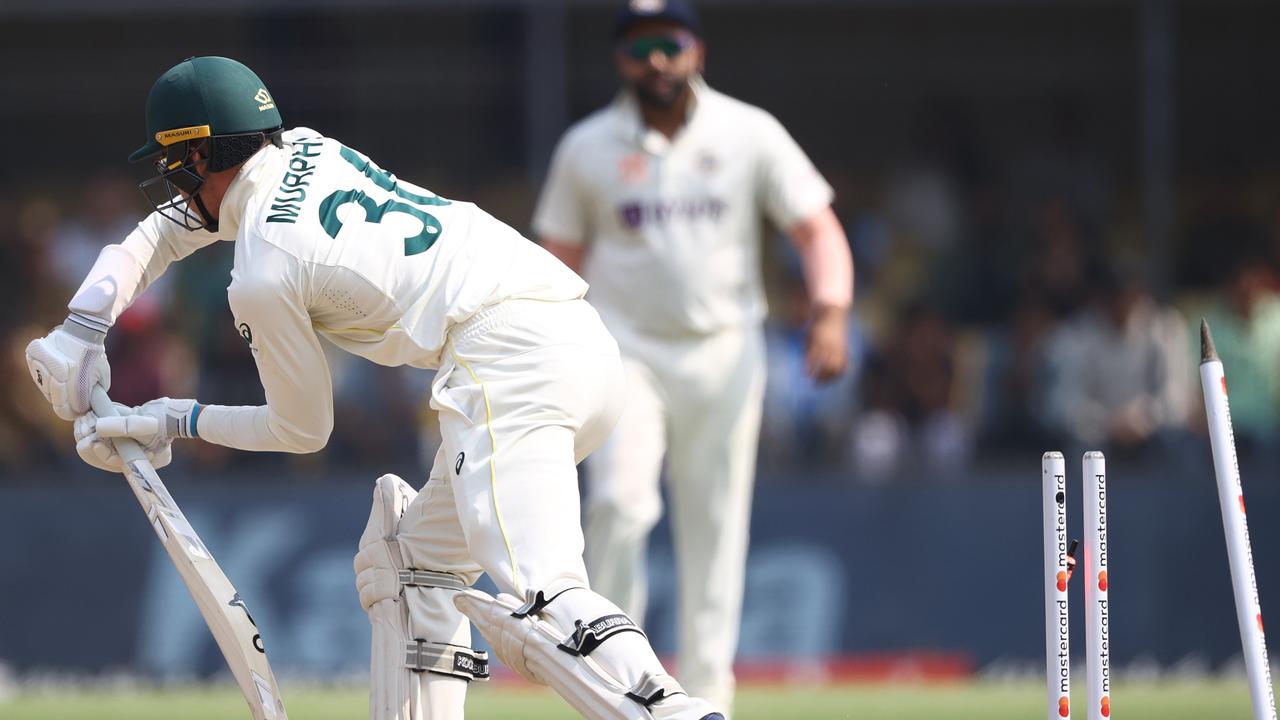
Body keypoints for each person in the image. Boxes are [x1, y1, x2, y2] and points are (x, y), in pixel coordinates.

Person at [23, 56, 722, 720]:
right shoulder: (302, 146)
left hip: (504, 360)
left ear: (199, 155)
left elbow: (302, 430)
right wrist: (83, 327)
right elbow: (162, 234)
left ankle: (677, 710)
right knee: (408, 563)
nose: (176, 187)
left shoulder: (264, 272)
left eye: (177, 167)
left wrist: (171, 420)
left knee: (543, 593)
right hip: (577, 341)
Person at [532, 1, 854, 712]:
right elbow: (558, 265)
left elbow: (817, 229)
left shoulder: (749, 133)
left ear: (696, 52)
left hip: (725, 352)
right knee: (619, 505)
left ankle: (707, 701)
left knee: (715, 528)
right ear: (620, 58)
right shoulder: (587, 147)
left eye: (669, 44)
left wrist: (829, 312)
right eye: (640, 45)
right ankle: (618, 689)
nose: (656, 60)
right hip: (625, 355)